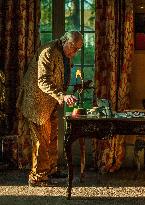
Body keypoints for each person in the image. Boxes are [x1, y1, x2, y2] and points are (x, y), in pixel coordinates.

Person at [16, 31, 83, 186]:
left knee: (52, 138)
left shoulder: (66, 53)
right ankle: (37, 178)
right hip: (36, 102)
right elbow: (43, 81)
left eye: (78, 49)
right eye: (74, 48)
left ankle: (51, 170)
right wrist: (62, 96)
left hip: (51, 101)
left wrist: (68, 91)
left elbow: (60, 76)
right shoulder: (49, 51)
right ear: (65, 41)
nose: (75, 52)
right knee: (41, 141)